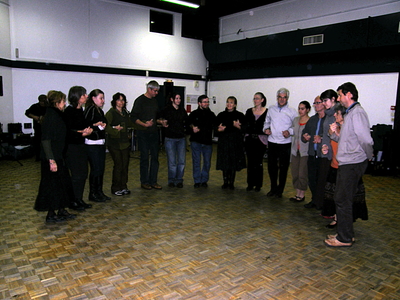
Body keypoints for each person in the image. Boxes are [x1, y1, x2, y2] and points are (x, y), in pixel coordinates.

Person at [324, 82, 373, 247]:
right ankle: (345, 234)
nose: (338, 98)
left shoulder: (357, 113)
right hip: (347, 162)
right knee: (343, 199)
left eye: (340, 95)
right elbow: (345, 140)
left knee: (342, 199)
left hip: (352, 163)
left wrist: (368, 155)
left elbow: (366, 139)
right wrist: (333, 135)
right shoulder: (350, 113)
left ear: (349, 94)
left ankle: (344, 238)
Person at [322, 103, 368, 228]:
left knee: (344, 198)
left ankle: (344, 226)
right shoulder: (336, 127)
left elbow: (347, 143)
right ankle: (338, 219)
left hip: (347, 166)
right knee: (336, 196)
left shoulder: (348, 129)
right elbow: (335, 141)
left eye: (337, 113)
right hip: (335, 164)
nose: (335, 115)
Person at [34, 91, 76, 223]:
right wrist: (51, 160)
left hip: (59, 156)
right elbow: (46, 140)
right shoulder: (51, 116)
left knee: (62, 184)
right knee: (51, 186)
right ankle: (51, 214)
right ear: (57, 103)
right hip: (51, 158)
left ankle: (61, 209)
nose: (65, 103)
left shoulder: (58, 115)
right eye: (63, 101)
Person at [263, 88, 297, 198]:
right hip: (272, 142)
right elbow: (266, 122)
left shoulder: (292, 111)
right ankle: (273, 188)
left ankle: (280, 191)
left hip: (285, 143)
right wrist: (266, 129)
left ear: (287, 98)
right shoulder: (271, 109)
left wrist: (290, 132)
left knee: (283, 168)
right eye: (280, 97)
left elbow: (295, 127)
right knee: (271, 167)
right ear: (277, 97)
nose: (282, 99)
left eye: (284, 97)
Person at [130, 80, 163, 190]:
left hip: (153, 133)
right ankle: (144, 181)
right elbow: (133, 117)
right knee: (144, 158)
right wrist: (144, 124)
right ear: (149, 89)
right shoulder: (140, 101)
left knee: (155, 158)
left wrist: (160, 122)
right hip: (143, 133)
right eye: (155, 91)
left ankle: (153, 181)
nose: (156, 93)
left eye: (157, 91)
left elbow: (155, 116)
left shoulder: (154, 102)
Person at [64, 86, 93, 210]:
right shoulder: (68, 112)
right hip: (72, 147)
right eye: (83, 95)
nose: (86, 96)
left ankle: (79, 198)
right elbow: (67, 131)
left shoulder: (81, 110)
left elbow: (84, 125)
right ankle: (73, 201)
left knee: (83, 173)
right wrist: (81, 132)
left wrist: (90, 129)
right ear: (77, 97)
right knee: (76, 175)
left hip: (81, 145)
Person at [105, 92, 134, 196]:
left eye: (122, 100)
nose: (121, 102)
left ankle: (123, 186)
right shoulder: (111, 113)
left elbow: (131, 124)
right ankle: (115, 187)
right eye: (119, 100)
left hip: (125, 143)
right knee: (118, 165)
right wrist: (114, 130)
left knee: (125, 165)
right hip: (114, 143)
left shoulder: (126, 113)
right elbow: (106, 126)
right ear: (114, 101)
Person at [84, 89, 110, 202]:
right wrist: (96, 126)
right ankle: (93, 193)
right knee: (96, 169)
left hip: (100, 143)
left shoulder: (99, 110)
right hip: (92, 144)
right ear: (93, 98)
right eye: (101, 98)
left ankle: (99, 192)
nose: (103, 101)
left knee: (100, 169)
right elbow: (85, 124)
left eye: (103, 98)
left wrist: (102, 125)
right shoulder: (90, 109)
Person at [216, 96, 246, 189]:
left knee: (233, 163)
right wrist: (219, 130)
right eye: (228, 102)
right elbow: (215, 129)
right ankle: (225, 182)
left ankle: (231, 182)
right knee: (225, 163)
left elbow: (244, 129)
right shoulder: (221, 115)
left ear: (235, 105)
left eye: (231, 102)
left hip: (235, 143)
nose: (229, 104)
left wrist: (239, 127)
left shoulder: (240, 115)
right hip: (224, 142)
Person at [187, 95, 217, 188]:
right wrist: (192, 128)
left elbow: (216, 126)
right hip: (196, 141)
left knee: (207, 162)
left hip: (207, 142)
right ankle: (197, 180)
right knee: (196, 162)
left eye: (207, 102)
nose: (206, 103)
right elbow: (188, 125)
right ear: (199, 103)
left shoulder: (211, 115)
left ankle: (204, 180)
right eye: (204, 102)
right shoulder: (193, 114)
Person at [301, 96, 326, 209]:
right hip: (312, 154)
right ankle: (315, 200)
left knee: (322, 180)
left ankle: (322, 202)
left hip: (323, 156)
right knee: (312, 179)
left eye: (318, 102)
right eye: (314, 103)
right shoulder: (312, 119)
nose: (315, 105)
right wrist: (305, 137)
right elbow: (304, 133)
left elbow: (331, 135)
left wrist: (321, 138)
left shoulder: (329, 119)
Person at [160, 93, 188, 188]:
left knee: (181, 161)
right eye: (176, 98)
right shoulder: (166, 110)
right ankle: (171, 180)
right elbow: (159, 119)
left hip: (181, 138)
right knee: (172, 162)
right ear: (172, 99)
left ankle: (179, 180)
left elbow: (186, 121)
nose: (178, 100)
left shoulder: (182, 110)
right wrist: (162, 122)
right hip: (170, 138)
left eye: (179, 98)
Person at [244, 92, 268, 192]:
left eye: (257, 98)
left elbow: (267, 126)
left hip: (260, 141)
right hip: (250, 140)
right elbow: (246, 125)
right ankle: (250, 183)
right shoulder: (249, 111)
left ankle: (258, 184)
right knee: (250, 162)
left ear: (262, 100)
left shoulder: (267, 112)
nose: (255, 100)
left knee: (258, 163)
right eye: (254, 98)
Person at [289, 100, 311, 202]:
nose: (300, 111)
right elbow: (292, 131)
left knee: (302, 173)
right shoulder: (295, 120)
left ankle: (302, 195)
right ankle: (297, 193)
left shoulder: (310, 121)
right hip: (295, 151)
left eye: (302, 109)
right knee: (295, 173)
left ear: (307, 110)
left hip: (305, 152)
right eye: (299, 108)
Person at [25, 94, 48, 161]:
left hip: (47, 127)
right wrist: (34, 117)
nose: (42, 103)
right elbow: (27, 112)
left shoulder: (48, 107)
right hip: (38, 127)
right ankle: (38, 156)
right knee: (37, 142)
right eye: (41, 101)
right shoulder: (35, 106)